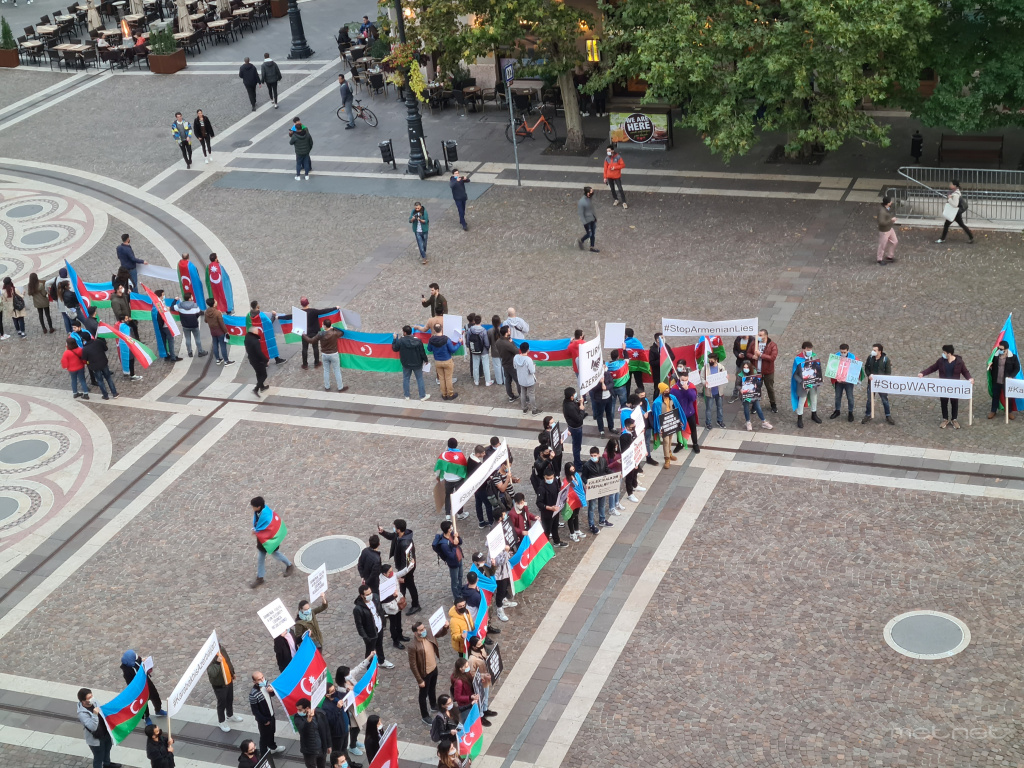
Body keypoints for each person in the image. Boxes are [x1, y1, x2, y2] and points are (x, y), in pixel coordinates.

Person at [919, 344, 972, 429]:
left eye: (944, 352)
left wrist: (970, 378)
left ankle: (954, 419)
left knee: (954, 402)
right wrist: (923, 373)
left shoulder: (959, 362)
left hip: (954, 387)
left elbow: (965, 372)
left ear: (949, 354)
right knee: (944, 402)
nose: (943, 354)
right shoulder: (941, 361)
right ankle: (945, 419)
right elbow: (932, 368)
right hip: (943, 386)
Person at [250, 496, 295, 587]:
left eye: (253, 506)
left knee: (276, 554)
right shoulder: (258, 512)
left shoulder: (266, 515)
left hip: (269, 540)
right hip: (263, 541)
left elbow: (269, 527)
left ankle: (289, 565)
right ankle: (260, 577)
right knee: (261, 558)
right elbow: (259, 525)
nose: (252, 508)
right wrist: (256, 529)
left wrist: (257, 530)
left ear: (258, 507)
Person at [380, 518, 420, 613]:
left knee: (410, 586)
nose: (393, 528)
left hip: (407, 569)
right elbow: (391, 536)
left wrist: (403, 576)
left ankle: (415, 605)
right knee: (402, 586)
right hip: (403, 568)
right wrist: (383, 532)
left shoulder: (405, 543)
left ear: (398, 529)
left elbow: (405, 561)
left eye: (395, 527)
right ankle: (401, 601)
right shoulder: (399, 535)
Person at [353, 584, 395, 668]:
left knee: (379, 645)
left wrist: (393, 596)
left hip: (379, 627)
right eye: (367, 594)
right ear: (362, 595)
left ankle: (381, 661)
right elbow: (359, 626)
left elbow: (382, 602)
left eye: (370, 593)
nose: (370, 595)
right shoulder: (358, 609)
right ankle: (369, 670)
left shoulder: (375, 597)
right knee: (370, 652)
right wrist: (366, 637)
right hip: (370, 633)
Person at [407, 620, 440, 723]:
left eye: (424, 628)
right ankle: (425, 715)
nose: (424, 630)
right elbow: (413, 665)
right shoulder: (413, 645)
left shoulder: (429, 635)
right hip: (424, 673)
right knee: (423, 695)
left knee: (432, 688)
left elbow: (440, 633)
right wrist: (419, 680)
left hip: (434, 668)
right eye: (421, 630)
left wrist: (445, 627)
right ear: (415, 633)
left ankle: (433, 705)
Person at [121, 650, 165, 723]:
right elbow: (131, 684)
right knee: (143, 703)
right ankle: (146, 717)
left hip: (146, 682)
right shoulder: (127, 672)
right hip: (138, 689)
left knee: (155, 696)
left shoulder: (136, 659)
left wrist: (144, 660)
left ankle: (158, 710)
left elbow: (140, 659)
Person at [78, 688, 118, 768]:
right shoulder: (82, 714)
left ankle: (107, 764)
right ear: (83, 701)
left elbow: (102, 711)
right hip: (96, 739)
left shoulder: (94, 702)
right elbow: (92, 727)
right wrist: (94, 714)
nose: (92, 698)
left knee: (107, 751)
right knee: (98, 757)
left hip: (106, 733)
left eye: (92, 696)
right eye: (89, 698)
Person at [249, 672, 287, 756]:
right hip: (264, 719)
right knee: (264, 737)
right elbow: (255, 711)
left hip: (271, 715)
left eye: (262, 677)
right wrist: (264, 720)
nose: (262, 680)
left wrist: (271, 691)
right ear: (254, 682)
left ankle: (272, 747)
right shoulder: (253, 694)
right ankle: (263, 755)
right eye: (259, 679)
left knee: (272, 732)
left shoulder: (266, 684)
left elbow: (272, 694)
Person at [207, 647, 243, 733]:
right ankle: (221, 721)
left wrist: (232, 672)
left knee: (229, 699)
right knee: (222, 703)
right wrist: (217, 662)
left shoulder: (221, 649)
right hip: (220, 684)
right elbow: (212, 673)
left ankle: (230, 715)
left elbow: (228, 661)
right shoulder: (209, 656)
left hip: (228, 680)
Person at [392, 325, 430, 401]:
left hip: (406, 363)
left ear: (405, 332)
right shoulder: (418, 341)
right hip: (417, 363)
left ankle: (407, 395)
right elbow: (422, 352)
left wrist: (395, 339)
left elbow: (395, 348)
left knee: (406, 379)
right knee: (419, 379)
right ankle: (422, 396)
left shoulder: (400, 341)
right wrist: (426, 360)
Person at [791, 341, 822, 429]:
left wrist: (819, 378)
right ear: (803, 349)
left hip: (813, 383)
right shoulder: (798, 359)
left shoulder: (814, 357)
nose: (809, 351)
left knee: (814, 398)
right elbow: (795, 375)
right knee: (801, 401)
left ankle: (814, 414)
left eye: (810, 349)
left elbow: (818, 369)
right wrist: (802, 382)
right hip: (803, 385)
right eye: (808, 349)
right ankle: (799, 418)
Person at [862, 342, 895, 426]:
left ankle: (888, 415)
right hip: (871, 383)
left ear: (880, 351)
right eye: (873, 350)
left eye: (875, 350)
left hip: (881, 384)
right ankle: (868, 414)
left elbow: (888, 372)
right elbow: (866, 367)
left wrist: (881, 379)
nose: (873, 351)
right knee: (870, 400)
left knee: (884, 400)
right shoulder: (870, 357)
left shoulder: (885, 360)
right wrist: (869, 375)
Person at [988, 340, 1020, 420]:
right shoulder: (995, 356)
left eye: (1002, 349)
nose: (1000, 350)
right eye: (999, 349)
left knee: (1008, 396)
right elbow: (991, 364)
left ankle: (1009, 411)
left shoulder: (1013, 357)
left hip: (1006, 381)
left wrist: (1011, 376)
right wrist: (990, 366)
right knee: (995, 395)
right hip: (996, 379)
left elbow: (1017, 368)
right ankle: (993, 410)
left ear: (1006, 349)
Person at [428, 323, 461, 401]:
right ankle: (450, 394)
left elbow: (429, 349)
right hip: (447, 360)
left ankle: (444, 394)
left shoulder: (431, 340)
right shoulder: (446, 339)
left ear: (434, 330)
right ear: (442, 329)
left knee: (441, 378)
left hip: (438, 361)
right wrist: (459, 343)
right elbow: (453, 350)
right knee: (448, 378)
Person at [295, 697, 331, 768]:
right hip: (309, 751)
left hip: (321, 748)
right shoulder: (298, 718)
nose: (298, 711)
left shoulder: (319, 714)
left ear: (307, 708)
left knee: (322, 766)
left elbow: (326, 730)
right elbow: (303, 731)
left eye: (300, 710)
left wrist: (329, 745)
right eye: (298, 709)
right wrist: (308, 719)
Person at [467, 636, 497, 720]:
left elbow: (485, 657)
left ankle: (485, 709)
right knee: (480, 698)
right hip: (480, 682)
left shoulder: (482, 649)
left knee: (486, 695)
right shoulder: (472, 659)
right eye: (479, 644)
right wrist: (483, 676)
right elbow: (472, 673)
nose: (481, 645)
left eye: (480, 643)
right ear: (474, 647)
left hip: (486, 678)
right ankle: (480, 715)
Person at [536, 463, 565, 547]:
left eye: (551, 478)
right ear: (544, 477)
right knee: (547, 531)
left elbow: (558, 492)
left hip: (555, 510)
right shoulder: (541, 488)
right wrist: (549, 508)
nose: (550, 480)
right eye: (547, 478)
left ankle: (557, 541)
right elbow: (539, 503)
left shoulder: (555, 481)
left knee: (555, 527)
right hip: (547, 513)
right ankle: (545, 548)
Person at [435, 520, 465, 601]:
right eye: (451, 527)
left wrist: (457, 537)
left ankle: (460, 592)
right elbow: (451, 556)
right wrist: (454, 545)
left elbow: (460, 542)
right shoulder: (444, 544)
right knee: (455, 581)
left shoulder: (452, 534)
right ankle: (457, 597)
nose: (452, 528)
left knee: (460, 577)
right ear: (449, 529)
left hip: (459, 559)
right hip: (453, 563)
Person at [827, 343, 858, 421]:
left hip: (848, 382)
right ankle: (837, 410)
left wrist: (848, 378)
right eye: (841, 352)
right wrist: (836, 378)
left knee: (850, 397)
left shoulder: (853, 358)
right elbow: (832, 369)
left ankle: (850, 412)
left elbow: (856, 370)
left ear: (848, 351)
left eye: (844, 352)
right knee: (837, 397)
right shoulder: (835, 357)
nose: (843, 354)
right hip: (839, 382)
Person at [936, 179, 973, 244]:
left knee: (947, 224)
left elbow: (955, 204)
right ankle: (971, 237)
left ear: (955, 186)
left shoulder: (955, 194)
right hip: (956, 212)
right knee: (961, 224)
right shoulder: (956, 192)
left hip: (954, 212)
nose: (950, 185)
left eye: (951, 184)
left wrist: (949, 199)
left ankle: (942, 239)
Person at [315, 318, 346, 392]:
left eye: (323, 324)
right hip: (334, 354)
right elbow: (342, 333)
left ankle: (327, 387)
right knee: (337, 371)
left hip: (324, 354)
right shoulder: (334, 333)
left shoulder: (320, 334)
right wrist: (333, 328)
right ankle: (340, 387)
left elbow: (311, 340)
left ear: (325, 326)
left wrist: (303, 335)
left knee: (326, 371)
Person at [738, 361, 772, 431]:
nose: (746, 369)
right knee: (746, 408)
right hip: (745, 394)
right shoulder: (740, 375)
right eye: (744, 367)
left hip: (754, 394)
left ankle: (764, 421)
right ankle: (748, 422)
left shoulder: (754, 373)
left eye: (747, 367)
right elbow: (737, 385)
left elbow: (759, 382)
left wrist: (758, 385)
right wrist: (740, 389)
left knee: (758, 407)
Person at [82, 336, 118, 400]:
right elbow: (105, 348)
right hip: (103, 363)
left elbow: (84, 360)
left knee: (100, 381)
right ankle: (114, 393)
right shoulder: (98, 342)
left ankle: (105, 395)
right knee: (109, 378)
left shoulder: (85, 349)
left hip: (95, 367)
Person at [673, 371, 701, 453]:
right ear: (679, 378)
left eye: (686, 380)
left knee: (693, 429)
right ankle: (680, 444)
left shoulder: (691, 386)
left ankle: (695, 444)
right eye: (683, 380)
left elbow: (693, 398)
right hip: (679, 413)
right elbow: (672, 401)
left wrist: (687, 390)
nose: (684, 382)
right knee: (679, 429)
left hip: (690, 412)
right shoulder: (674, 388)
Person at [753, 328, 778, 413]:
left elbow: (772, 358)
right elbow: (749, 353)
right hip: (757, 371)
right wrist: (752, 356)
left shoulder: (772, 345)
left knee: (770, 388)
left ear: (766, 336)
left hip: (768, 371)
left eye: (760, 335)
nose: (758, 337)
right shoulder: (755, 343)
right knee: (756, 388)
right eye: (758, 335)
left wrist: (761, 355)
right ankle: (755, 405)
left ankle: (773, 404)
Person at [493, 326, 521, 403]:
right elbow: (516, 351)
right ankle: (522, 396)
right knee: (518, 381)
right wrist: (512, 342)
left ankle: (511, 396)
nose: (510, 332)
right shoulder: (507, 344)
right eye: (509, 331)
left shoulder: (498, 342)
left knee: (508, 381)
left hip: (504, 363)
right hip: (511, 364)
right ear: (506, 333)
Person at [176, 291, 207, 358]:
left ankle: (189, 352)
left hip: (185, 325)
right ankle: (200, 351)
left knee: (187, 339)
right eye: (192, 296)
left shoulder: (180, 305)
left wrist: (175, 300)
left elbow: (173, 308)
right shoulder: (195, 305)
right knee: (197, 338)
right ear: (190, 298)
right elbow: (198, 313)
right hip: (194, 325)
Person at [562, 386, 587, 467]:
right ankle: (578, 464)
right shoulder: (570, 407)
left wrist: (579, 403)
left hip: (574, 426)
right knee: (576, 446)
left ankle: (578, 461)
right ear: (571, 397)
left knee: (577, 446)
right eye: (574, 394)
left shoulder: (568, 402)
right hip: (576, 428)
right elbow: (578, 419)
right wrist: (582, 409)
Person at [466, 313, 492, 386]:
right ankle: (488, 381)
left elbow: (468, 340)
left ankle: (476, 380)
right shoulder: (483, 330)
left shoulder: (470, 330)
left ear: (474, 321)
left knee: (475, 365)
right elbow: (486, 342)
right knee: (486, 365)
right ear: (480, 321)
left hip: (474, 349)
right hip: (483, 350)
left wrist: (469, 346)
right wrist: (487, 347)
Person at [729, 334, 757, 402]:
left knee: (750, 379)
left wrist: (745, 354)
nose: (740, 334)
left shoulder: (752, 340)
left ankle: (750, 394)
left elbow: (752, 351)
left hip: (749, 364)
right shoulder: (738, 339)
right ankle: (735, 394)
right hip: (739, 363)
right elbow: (735, 349)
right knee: (738, 379)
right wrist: (738, 355)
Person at [205, 298, 233, 366]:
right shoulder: (217, 313)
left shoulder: (206, 312)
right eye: (215, 301)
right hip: (220, 331)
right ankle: (226, 361)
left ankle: (218, 359)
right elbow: (221, 324)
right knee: (223, 346)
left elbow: (205, 321)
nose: (216, 301)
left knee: (215, 345)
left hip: (213, 331)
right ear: (214, 304)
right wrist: (226, 331)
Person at [245, 325, 270, 397]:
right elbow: (259, 353)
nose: (258, 332)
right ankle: (256, 389)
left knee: (258, 373)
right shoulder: (255, 341)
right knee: (264, 375)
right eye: (257, 331)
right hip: (258, 361)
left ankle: (262, 387)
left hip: (251, 359)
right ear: (253, 332)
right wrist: (266, 360)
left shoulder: (247, 337)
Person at [514, 342, 538, 414]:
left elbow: (515, 367)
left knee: (523, 393)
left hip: (521, 379)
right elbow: (532, 371)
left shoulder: (516, 357)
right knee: (531, 394)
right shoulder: (528, 360)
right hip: (529, 380)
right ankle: (534, 409)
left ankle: (524, 408)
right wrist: (533, 366)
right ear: (528, 349)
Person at [703, 357, 726, 429]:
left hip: (718, 391)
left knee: (720, 407)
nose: (710, 361)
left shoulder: (721, 367)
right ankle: (708, 422)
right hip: (709, 392)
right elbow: (702, 378)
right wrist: (704, 383)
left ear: (716, 360)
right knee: (709, 408)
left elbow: (724, 376)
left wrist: (726, 377)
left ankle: (720, 420)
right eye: (709, 360)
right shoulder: (705, 368)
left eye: (712, 360)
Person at [290, 117, 314, 181]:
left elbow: (291, 142)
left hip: (299, 151)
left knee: (298, 163)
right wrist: (308, 149)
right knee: (306, 162)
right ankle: (306, 175)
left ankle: (298, 176)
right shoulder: (307, 134)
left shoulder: (295, 136)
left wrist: (291, 134)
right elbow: (311, 142)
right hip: (306, 151)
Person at [577, 185, 598, 251]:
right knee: (589, 234)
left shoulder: (589, 198)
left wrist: (595, 217)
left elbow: (591, 209)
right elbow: (581, 213)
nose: (593, 193)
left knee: (593, 234)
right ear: (588, 193)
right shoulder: (582, 202)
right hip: (587, 221)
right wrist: (585, 223)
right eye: (591, 192)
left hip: (592, 219)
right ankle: (581, 240)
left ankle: (592, 247)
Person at [877, 195, 898, 264]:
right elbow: (881, 222)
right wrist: (891, 220)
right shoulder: (882, 212)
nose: (891, 202)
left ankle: (890, 256)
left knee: (895, 241)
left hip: (889, 228)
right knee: (882, 245)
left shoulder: (887, 208)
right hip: (884, 231)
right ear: (888, 203)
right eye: (890, 201)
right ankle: (879, 259)